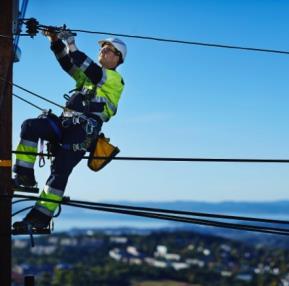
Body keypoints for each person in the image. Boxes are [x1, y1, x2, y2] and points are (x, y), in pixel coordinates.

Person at [13, 29, 127, 231]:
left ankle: (40, 217)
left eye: (108, 49)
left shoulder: (113, 79)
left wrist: (72, 44)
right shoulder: (89, 78)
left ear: (118, 58)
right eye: (102, 48)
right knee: (30, 126)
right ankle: (24, 176)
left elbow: (89, 67)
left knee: (60, 169)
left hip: (83, 133)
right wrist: (56, 41)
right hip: (66, 125)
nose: (103, 51)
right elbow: (68, 63)